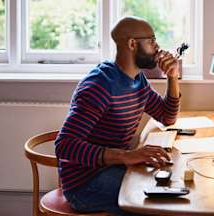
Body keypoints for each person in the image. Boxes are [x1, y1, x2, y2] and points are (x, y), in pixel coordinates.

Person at [55, 16, 181, 215]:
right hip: (85, 184)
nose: (158, 47)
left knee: (169, 187)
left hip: (113, 169)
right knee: (155, 203)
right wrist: (127, 156)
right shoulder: (100, 86)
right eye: (152, 40)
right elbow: (64, 146)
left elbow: (167, 117)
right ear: (132, 44)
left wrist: (173, 76)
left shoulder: (137, 81)